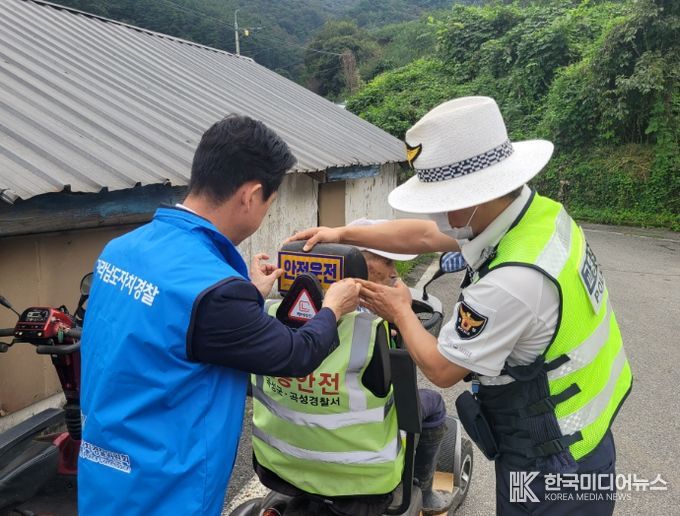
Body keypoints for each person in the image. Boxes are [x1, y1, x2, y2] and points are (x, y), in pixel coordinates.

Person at [287, 97, 632, 515]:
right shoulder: (538, 215)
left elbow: (442, 369)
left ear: (478, 194)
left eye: (444, 199)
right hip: (583, 431)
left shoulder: (510, 282)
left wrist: (400, 311)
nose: (439, 213)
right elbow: (424, 237)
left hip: (552, 459)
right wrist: (341, 232)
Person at [78, 114, 361, 516]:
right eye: (268, 205)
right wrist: (334, 306)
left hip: (104, 471)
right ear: (251, 195)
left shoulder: (121, 250)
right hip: (165, 491)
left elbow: (171, 328)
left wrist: (248, 294)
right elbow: (295, 354)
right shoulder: (215, 291)